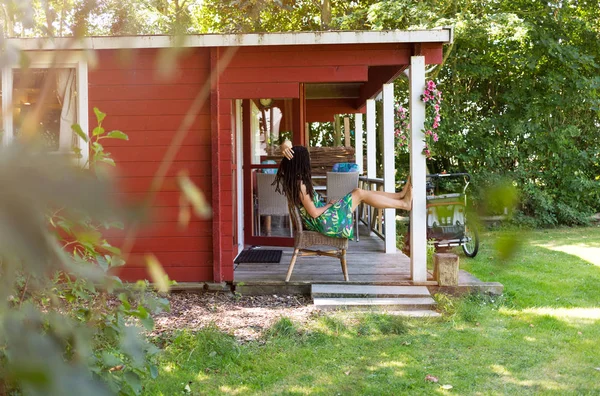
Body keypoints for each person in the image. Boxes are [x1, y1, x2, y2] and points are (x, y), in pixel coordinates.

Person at [274, 140, 411, 239]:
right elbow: (314, 213)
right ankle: (403, 204)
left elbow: (287, 142)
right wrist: (329, 205)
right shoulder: (301, 185)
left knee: (358, 192)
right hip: (324, 222)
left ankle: (399, 195)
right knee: (359, 193)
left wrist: (285, 146)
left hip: (325, 218)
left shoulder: (297, 182)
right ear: (301, 163)